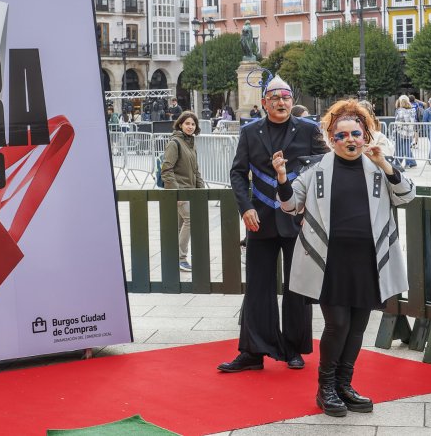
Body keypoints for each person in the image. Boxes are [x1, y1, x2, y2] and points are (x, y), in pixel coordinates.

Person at [274, 99, 414, 417]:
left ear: (366, 136)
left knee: (357, 326)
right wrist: (282, 178)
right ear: (331, 138)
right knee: (337, 324)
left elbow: (407, 196)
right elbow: (289, 203)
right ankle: (325, 389)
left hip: (368, 259)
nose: (349, 140)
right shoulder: (316, 171)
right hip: (329, 261)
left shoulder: (380, 167)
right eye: (341, 135)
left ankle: (344, 385)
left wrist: (387, 166)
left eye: (355, 134)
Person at [221, 76, 327, 373]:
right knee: (257, 287)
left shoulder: (308, 129)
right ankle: (253, 352)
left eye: (287, 98)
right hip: (260, 219)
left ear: (292, 102)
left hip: (297, 217)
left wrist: (311, 206)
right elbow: (238, 173)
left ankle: (293, 348)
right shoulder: (250, 131)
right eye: (275, 99)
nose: (282, 103)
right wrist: (245, 208)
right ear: (264, 102)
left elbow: (321, 169)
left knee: (297, 288)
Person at [161, 111, 203, 272]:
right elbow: (167, 169)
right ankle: (181, 258)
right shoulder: (175, 143)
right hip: (180, 190)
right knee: (190, 220)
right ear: (180, 124)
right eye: (187, 123)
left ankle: (173, 258)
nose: (190, 126)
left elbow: (195, 170)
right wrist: (175, 192)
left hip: (191, 190)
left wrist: (201, 189)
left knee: (180, 226)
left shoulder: (190, 143)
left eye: (193, 124)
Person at [392, 95, 418, 169]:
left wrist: (394, 131)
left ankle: (398, 163)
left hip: (401, 132)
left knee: (399, 148)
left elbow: (398, 122)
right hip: (409, 132)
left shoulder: (400, 111)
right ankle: (411, 163)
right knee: (406, 147)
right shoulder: (412, 110)